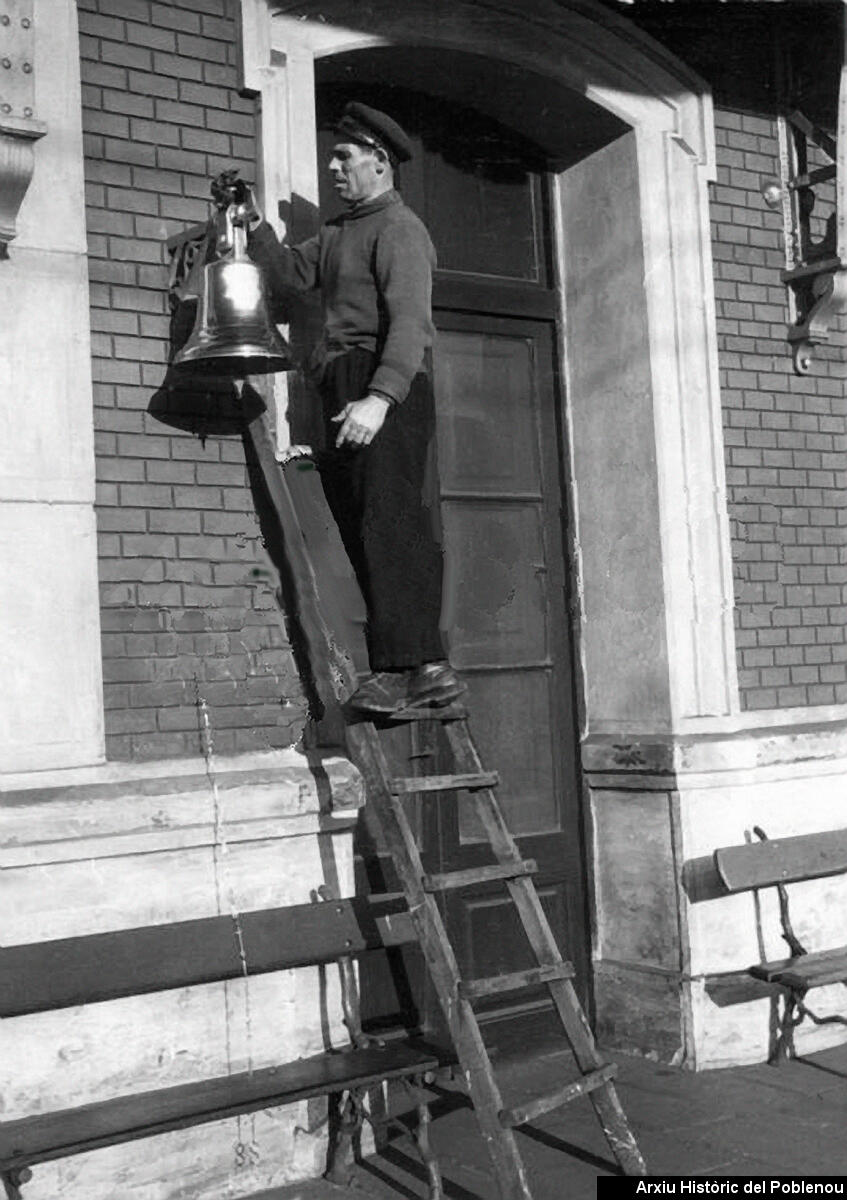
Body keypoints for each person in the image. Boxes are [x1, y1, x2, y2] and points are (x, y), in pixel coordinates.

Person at [240, 102, 464, 715]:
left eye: (345, 156)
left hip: (381, 382)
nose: (334, 166)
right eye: (334, 155)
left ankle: (413, 667)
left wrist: (380, 398)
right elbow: (287, 279)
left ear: (380, 162)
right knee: (361, 524)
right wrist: (254, 225)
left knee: (389, 521)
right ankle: (414, 667)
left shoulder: (401, 229)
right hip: (342, 383)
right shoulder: (339, 233)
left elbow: (411, 323)